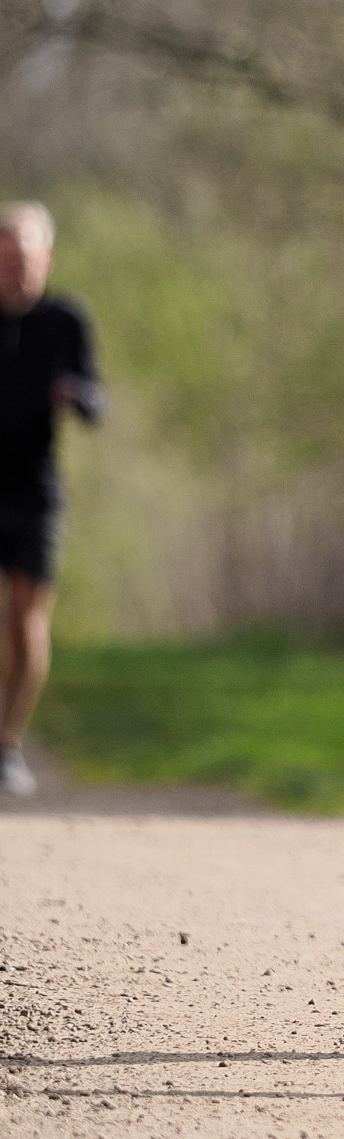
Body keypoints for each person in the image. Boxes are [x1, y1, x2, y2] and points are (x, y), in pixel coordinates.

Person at [0, 202, 105, 798]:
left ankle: (8, 745)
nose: (17, 270)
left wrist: (78, 397)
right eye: (8, 258)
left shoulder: (66, 320)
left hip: (36, 493)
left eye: (27, 259)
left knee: (24, 623)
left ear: (48, 259)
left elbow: (96, 396)